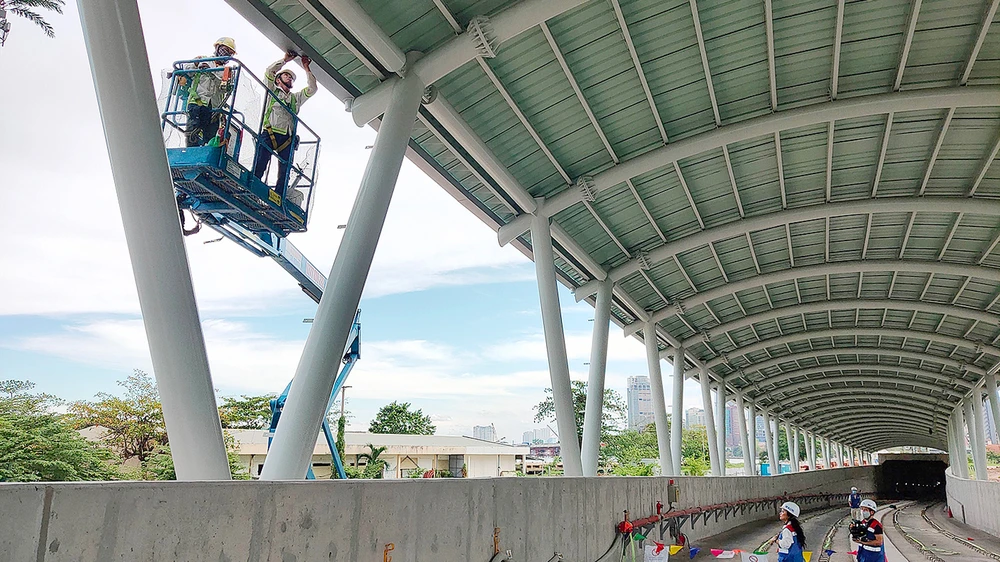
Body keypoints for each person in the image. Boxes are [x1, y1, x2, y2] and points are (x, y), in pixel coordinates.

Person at [252, 52, 317, 199]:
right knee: (261, 163)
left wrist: (306, 68)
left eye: (291, 77)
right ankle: (253, 188)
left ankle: (278, 198)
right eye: (286, 75)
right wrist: (285, 60)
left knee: (285, 172)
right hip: (270, 133)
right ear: (278, 80)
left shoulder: (295, 98)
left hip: (287, 138)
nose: (289, 77)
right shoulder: (272, 91)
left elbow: (312, 89)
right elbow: (269, 71)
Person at [183, 37, 237, 147]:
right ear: (217, 47)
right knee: (192, 133)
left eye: (230, 53)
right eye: (226, 50)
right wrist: (196, 65)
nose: (227, 54)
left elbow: (225, 88)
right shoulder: (203, 59)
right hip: (198, 101)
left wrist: (211, 73)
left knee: (210, 139)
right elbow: (186, 69)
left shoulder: (227, 72)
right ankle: (191, 153)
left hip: (214, 109)